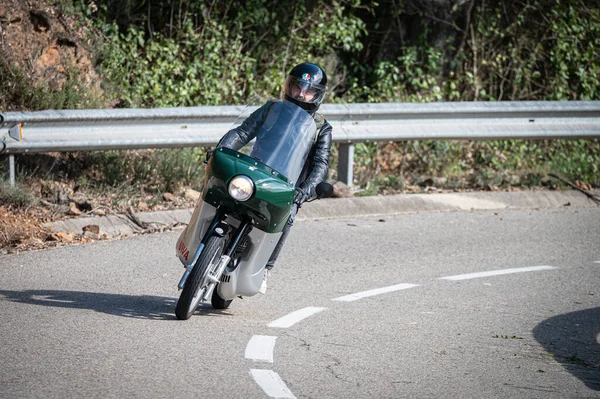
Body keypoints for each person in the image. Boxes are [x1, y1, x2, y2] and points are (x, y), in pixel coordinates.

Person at [216, 62, 333, 294]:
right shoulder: (271, 109)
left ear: (317, 95)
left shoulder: (322, 129)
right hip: (254, 173)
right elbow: (242, 132)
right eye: (297, 86)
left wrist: (306, 189)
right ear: (288, 86)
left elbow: (320, 164)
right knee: (222, 194)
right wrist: (221, 150)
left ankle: (265, 267)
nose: (301, 93)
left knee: (288, 217)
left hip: (286, 186)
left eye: (308, 90)